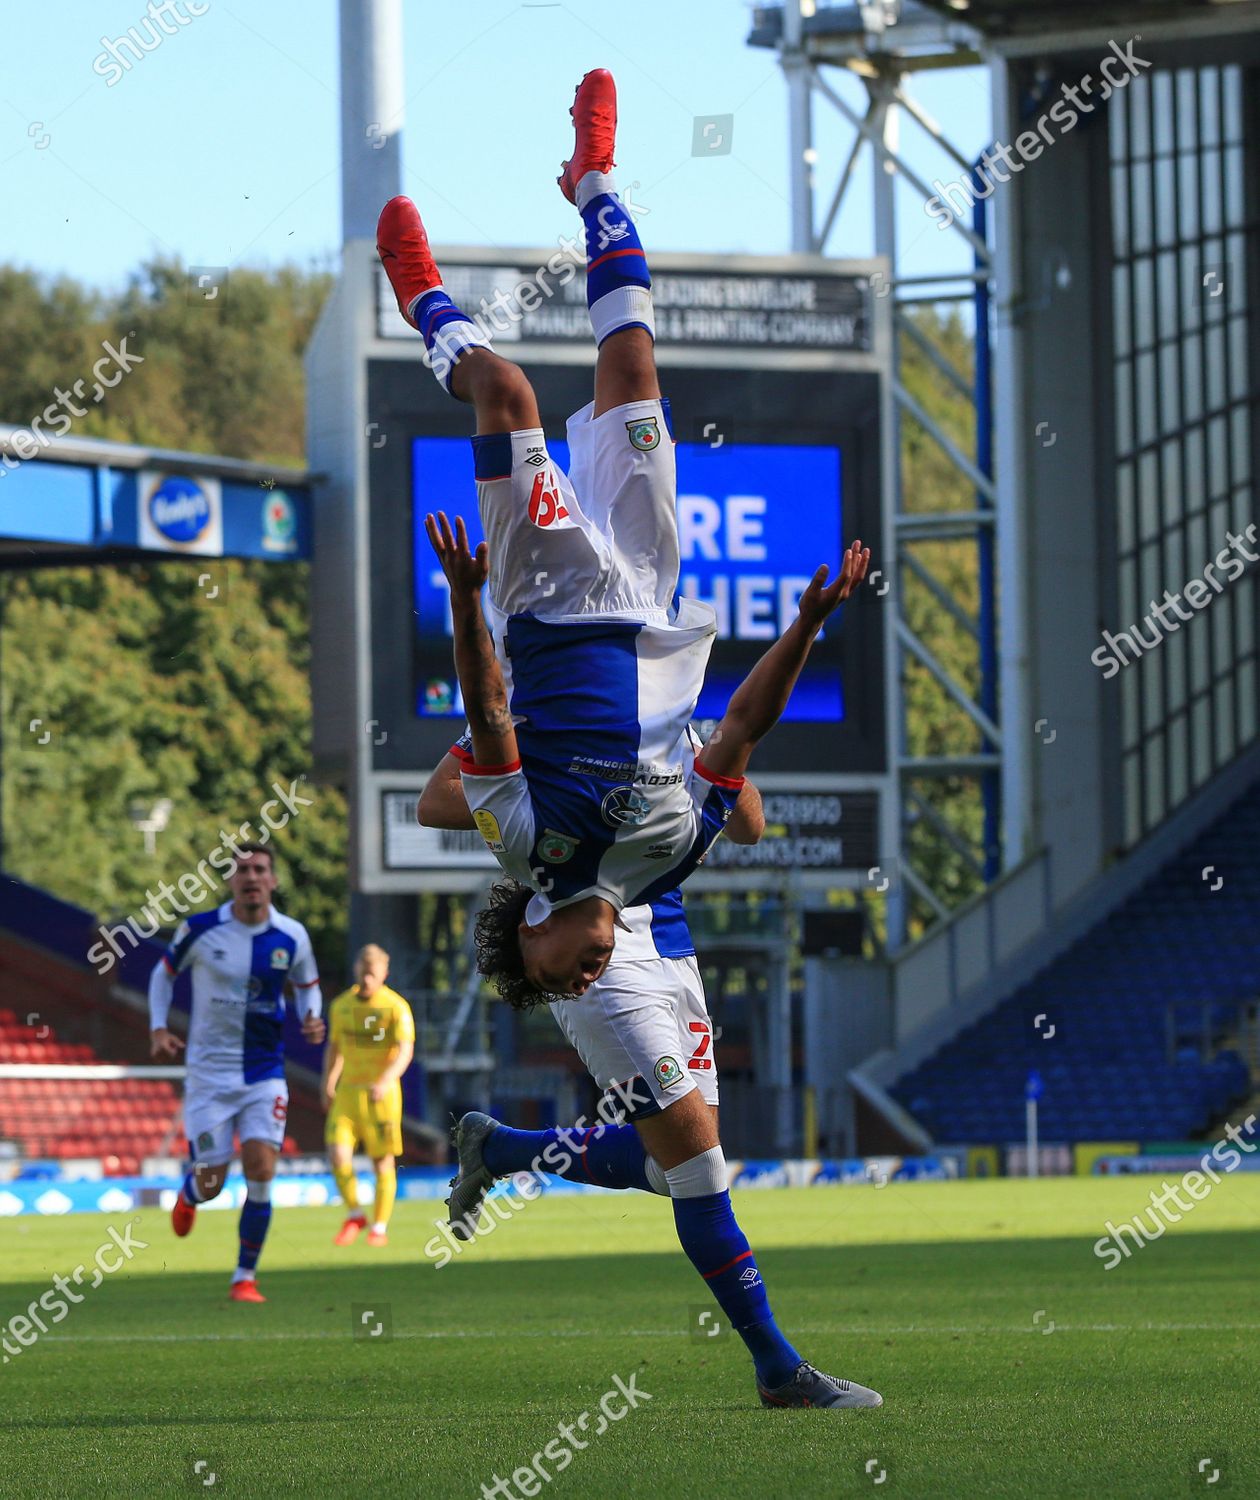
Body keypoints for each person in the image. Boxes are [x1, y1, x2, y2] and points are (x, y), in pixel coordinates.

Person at [377, 64, 868, 1009]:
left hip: (547, 601)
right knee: (634, 357)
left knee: (506, 392)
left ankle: (423, 303)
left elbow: (484, 713)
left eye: (560, 977)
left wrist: (467, 597)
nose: (586, 976)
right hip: (649, 588)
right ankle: (594, 176)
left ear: (533, 927)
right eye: (584, 983)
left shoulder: (526, 844)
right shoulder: (668, 862)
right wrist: (807, 624)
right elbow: (741, 738)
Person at [419, 758, 881, 1411]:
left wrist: (713, 757)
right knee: (700, 1171)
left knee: (674, 1171)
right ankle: (779, 1370)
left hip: (671, 943)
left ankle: (499, 1149)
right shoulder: (536, 710)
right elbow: (435, 802)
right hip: (600, 962)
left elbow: (750, 825)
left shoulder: (672, 707)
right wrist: (563, 809)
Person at [148, 842, 324, 1303]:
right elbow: (163, 974)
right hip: (208, 1076)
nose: (251, 876)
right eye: (242, 869)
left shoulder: (291, 935)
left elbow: (308, 985)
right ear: (230, 881)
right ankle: (190, 1194)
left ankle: (244, 1276)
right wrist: (158, 1027)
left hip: (264, 1074)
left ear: (273, 880)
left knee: (261, 1168)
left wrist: (311, 1016)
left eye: (259, 869)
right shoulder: (202, 928)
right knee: (212, 1181)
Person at [322, 944, 415, 1248]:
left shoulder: (395, 1007)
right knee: (337, 1155)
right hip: (348, 1093)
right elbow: (334, 1048)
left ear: (384, 974)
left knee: (381, 1162)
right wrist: (328, 1082)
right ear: (356, 971)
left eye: (372, 974)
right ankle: (354, 1213)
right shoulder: (341, 1006)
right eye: (363, 973)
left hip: (381, 1096)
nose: (367, 979)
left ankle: (378, 1227)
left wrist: (387, 1078)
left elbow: (404, 1050)